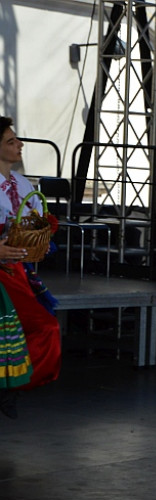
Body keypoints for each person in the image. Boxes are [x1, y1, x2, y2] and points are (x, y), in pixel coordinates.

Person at [0, 116, 61, 418]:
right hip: (3, 272)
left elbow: (38, 219)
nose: (19, 144)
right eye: (11, 141)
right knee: (39, 326)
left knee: (39, 328)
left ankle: (10, 386)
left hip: (17, 271)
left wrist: (44, 233)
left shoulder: (22, 184)